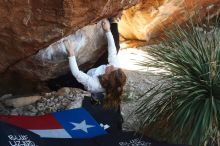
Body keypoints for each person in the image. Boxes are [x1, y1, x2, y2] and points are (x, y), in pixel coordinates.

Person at [63, 19, 127, 110]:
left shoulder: (94, 85)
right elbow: (112, 51)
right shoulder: (114, 69)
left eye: (111, 68)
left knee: (63, 80)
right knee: (116, 48)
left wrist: (71, 53)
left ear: (106, 77)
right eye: (114, 66)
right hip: (97, 69)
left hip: (87, 76)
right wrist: (108, 30)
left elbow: (77, 73)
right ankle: (113, 22)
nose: (112, 65)